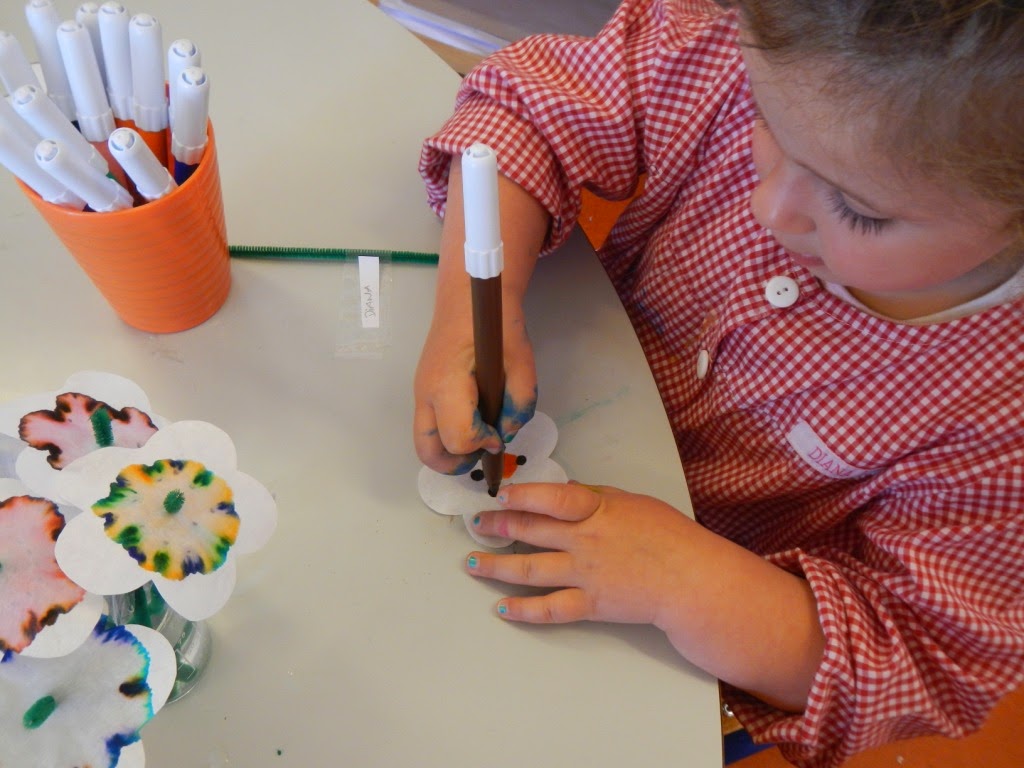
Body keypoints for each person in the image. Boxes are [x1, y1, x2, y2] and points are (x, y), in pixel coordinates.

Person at [411, 1, 1024, 765]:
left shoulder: (1005, 422)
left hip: (680, 638)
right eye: (766, 121)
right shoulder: (759, 45)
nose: (771, 207)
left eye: (859, 212)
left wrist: (684, 583)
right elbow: (526, 110)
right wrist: (474, 308)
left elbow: (917, 661)